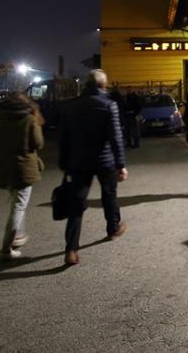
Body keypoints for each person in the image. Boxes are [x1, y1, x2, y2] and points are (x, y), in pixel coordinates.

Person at [58, 69, 129, 266]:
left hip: (78, 162)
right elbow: (116, 137)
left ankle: (71, 249)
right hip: (104, 160)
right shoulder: (108, 105)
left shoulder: (70, 107)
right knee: (109, 195)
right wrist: (121, 164)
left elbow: (63, 138)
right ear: (102, 85)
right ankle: (113, 228)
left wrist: (64, 163)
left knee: (76, 204)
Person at [0, 92, 44, 261]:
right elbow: (38, 143)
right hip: (22, 168)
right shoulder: (28, 120)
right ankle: (6, 250)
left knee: (16, 203)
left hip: (4, 166)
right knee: (18, 207)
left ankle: (18, 235)